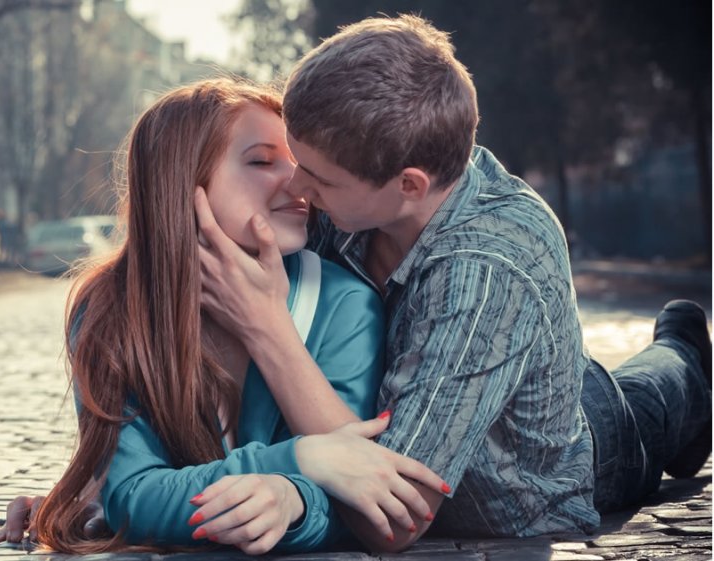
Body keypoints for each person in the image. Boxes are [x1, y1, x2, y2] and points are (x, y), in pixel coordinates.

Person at [195, 14, 712, 554]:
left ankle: (685, 350)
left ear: (409, 186)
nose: (297, 186)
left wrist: (266, 329)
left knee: (665, 388)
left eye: (319, 179)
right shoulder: (361, 179)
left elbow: (395, 517)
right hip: (524, 372)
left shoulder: (485, 272)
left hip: (588, 447)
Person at [0, 78, 447, 555]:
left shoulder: (343, 303)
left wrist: (291, 499)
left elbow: (355, 490)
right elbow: (132, 495)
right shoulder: (108, 308)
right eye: (261, 160)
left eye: (296, 160)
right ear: (179, 179)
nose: (296, 181)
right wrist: (301, 458)